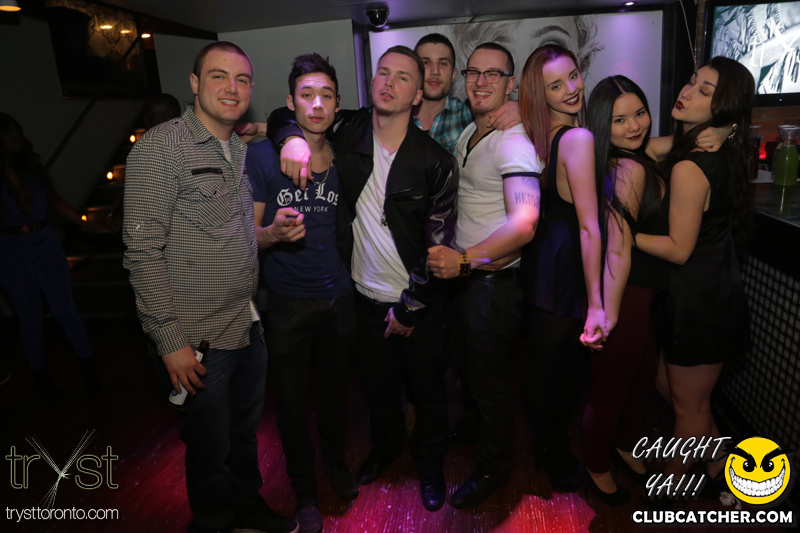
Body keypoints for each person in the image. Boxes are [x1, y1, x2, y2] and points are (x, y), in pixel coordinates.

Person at [268, 45, 458, 513]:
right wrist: (290, 137)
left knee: (428, 392)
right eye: (383, 73)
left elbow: (437, 249)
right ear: (371, 83)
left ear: (418, 95)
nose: (389, 82)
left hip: (418, 302)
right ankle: (386, 447)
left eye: (403, 77)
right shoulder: (348, 129)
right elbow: (286, 112)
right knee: (378, 390)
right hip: (362, 300)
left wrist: (410, 308)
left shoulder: (435, 160)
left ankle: (430, 464)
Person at [122, 41, 298, 533]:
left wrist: (270, 234)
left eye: (242, 79)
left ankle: (246, 509)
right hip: (196, 341)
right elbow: (142, 252)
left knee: (243, 436)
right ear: (195, 83)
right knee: (208, 447)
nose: (232, 87)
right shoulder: (162, 148)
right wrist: (169, 341)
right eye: (219, 76)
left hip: (245, 324)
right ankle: (215, 523)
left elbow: (228, 235)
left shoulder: (237, 149)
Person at [427, 42, 542, 508]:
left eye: (493, 74)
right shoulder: (473, 131)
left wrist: (465, 260)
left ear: (510, 83)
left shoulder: (513, 141)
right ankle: (473, 428)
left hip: (492, 284)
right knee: (468, 370)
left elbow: (525, 224)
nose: (480, 81)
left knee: (491, 383)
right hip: (467, 280)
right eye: (473, 72)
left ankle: (496, 466)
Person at [246, 53, 356, 533]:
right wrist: (272, 234)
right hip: (287, 305)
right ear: (291, 103)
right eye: (306, 95)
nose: (317, 104)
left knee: (336, 396)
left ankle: (335, 463)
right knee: (291, 406)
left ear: (337, 104)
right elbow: (246, 236)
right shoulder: (263, 157)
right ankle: (306, 491)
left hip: (340, 300)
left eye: (326, 95)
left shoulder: (345, 154)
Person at [635, 57, 755, 493]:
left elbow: (678, 249)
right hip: (710, 291)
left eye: (705, 91)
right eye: (692, 81)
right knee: (677, 392)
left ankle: (674, 488)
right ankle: (720, 460)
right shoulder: (713, 149)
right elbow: (645, 148)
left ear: (723, 108)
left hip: (700, 300)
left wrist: (624, 234)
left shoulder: (691, 167)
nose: (687, 91)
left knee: (689, 408)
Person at [517, 44, 606, 491]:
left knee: (545, 367)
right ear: (541, 94)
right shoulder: (576, 138)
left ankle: (549, 448)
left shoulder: (539, 136)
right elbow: (589, 227)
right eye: (555, 85)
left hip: (541, 260)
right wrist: (597, 302)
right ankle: (553, 452)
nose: (571, 89)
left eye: (573, 75)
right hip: (568, 264)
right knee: (561, 371)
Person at [581, 75, 671, 505]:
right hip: (628, 295)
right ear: (603, 124)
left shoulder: (632, 156)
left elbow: (671, 143)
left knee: (640, 382)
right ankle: (595, 464)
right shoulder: (628, 169)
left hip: (644, 296)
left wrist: (718, 130)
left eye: (640, 113)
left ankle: (622, 445)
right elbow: (617, 248)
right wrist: (608, 313)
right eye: (619, 120)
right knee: (612, 390)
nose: (634, 125)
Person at [0, 112, 109, 400]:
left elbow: (56, 202)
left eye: (17, 132)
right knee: (30, 317)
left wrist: (88, 225)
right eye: (8, 134)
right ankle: (42, 378)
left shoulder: (30, 168)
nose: (16, 138)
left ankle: (88, 367)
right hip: (10, 248)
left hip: (45, 241)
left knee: (65, 309)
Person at [413, 33, 520, 155]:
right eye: (426, 62)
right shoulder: (399, 113)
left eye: (443, 63)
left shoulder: (468, 113)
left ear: (454, 74)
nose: (435, 71)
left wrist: (523, 109)